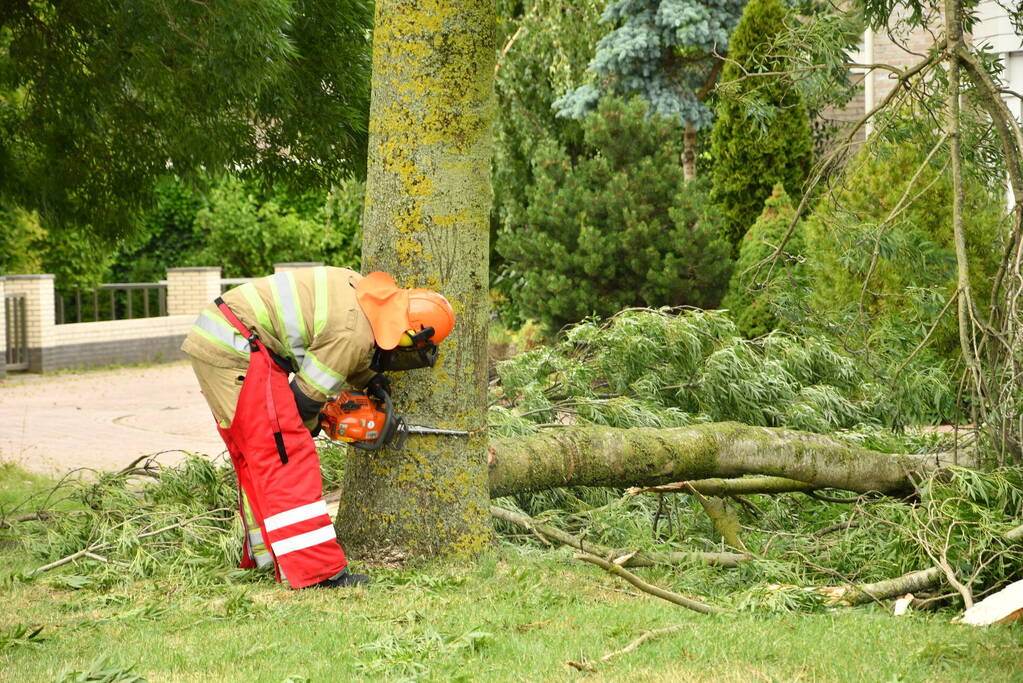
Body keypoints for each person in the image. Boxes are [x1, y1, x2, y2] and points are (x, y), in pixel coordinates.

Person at [181, 267, 455, 589]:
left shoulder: (359, 290)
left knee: (259, 455)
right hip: (237, 350)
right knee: (286, 456)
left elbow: (334, 345)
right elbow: (306, 400)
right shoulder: (353, 333)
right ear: (409, 333)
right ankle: (317, 575)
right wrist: (316, 424)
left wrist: (370, 379)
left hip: (228, 337)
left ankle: (270, 558)